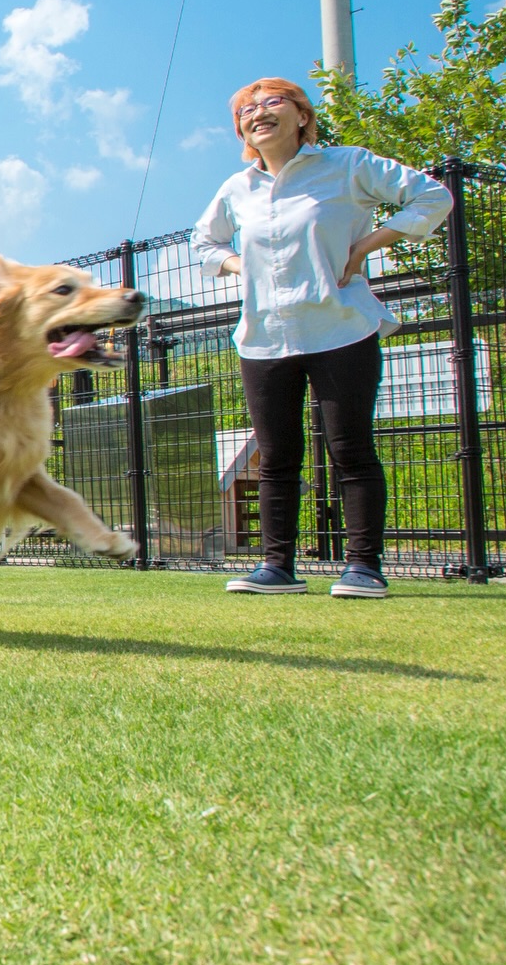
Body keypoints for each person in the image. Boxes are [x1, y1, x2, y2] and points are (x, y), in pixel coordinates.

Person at [191, 77, 453, 598]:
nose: (257, 112)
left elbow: (432, 195)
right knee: (276, 457)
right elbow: (204, 242)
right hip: (265, 336)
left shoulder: (348, 165)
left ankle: (363, 567)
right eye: (246, 109)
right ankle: (277, 567)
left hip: (340, 328)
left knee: (350, 449)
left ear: (302, 115)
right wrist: (239, 265)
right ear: (241, 128)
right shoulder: (237, 188)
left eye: (271, 102)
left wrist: (368, 246)